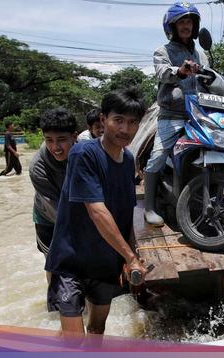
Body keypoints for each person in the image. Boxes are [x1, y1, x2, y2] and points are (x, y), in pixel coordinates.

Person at [45, 88, 148, 336]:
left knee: (97, 329)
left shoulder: (128, 161)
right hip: (71, 263)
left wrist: (133, 253)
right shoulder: (84, 153)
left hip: (104, 265)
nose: (125, 129)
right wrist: (130, 257)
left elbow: (126, 215)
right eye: (118, 120)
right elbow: (97, 211)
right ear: (103, 120)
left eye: (133, 122)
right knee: (75, 341)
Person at [143, 1, 208, 227]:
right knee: (158, 156)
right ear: (172, 25)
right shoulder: (163, 51)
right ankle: (149, 208)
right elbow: (163, 73)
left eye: (189, 21)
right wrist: (179, 71)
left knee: (211, 150)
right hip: (171, 115)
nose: (186, 25)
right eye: (181, 21)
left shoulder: (200, 54)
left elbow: (209, 79)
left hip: (197, 115)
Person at [29, 108, 78, 282]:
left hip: (78, 212)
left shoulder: (85, 154)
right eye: (49, 140)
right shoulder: (38, 167)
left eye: (61, 140)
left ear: (74, 136)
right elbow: (57, 210)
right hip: (48, 220)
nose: (55, 147)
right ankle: (54, 303)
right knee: (54, 263)